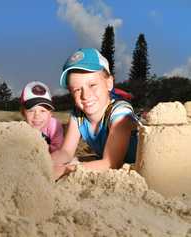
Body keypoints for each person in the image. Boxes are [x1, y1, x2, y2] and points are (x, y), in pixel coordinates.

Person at [52, 48, 138, 180]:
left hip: (140, 166)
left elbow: (111, 163)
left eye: (92, 85)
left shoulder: (121, 113)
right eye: (77, 90)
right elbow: (66, 152)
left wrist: (64, 170)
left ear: (109, 83)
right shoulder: (78, 115)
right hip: (110, 162)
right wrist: (44, 163)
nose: (85, 95)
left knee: (73, 165)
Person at [20, 81, 64, 153]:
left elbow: (58, 149)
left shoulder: (54, 125)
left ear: (50, 113)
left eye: (43, 111)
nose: (37, 116)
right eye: (31, 111)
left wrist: (37, 147)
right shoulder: (21, 128)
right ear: (23, 112)